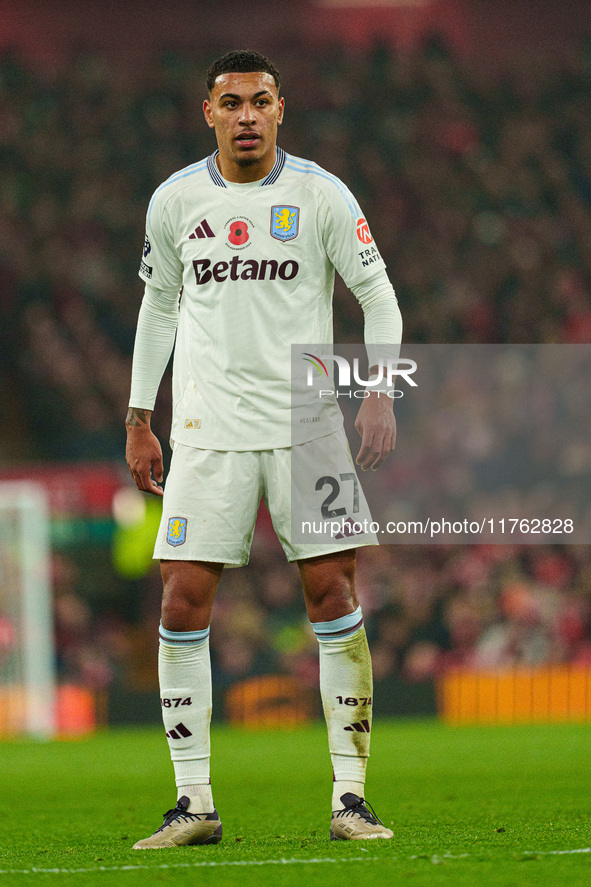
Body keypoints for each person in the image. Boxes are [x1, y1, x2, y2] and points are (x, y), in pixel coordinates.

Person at [125, 49, 402, 848]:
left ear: (282, 109)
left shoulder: (319, 194)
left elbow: (377, 293)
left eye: (260, 101)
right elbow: (158, 309)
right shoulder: (175, 200)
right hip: (206, 429)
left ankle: (351, 798)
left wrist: (378, 389)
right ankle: (193, 803)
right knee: (181, 599)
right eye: (231, 102)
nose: (246, 115)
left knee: (331, 593)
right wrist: (140, 415)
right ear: (205, 111)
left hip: (307, 424)